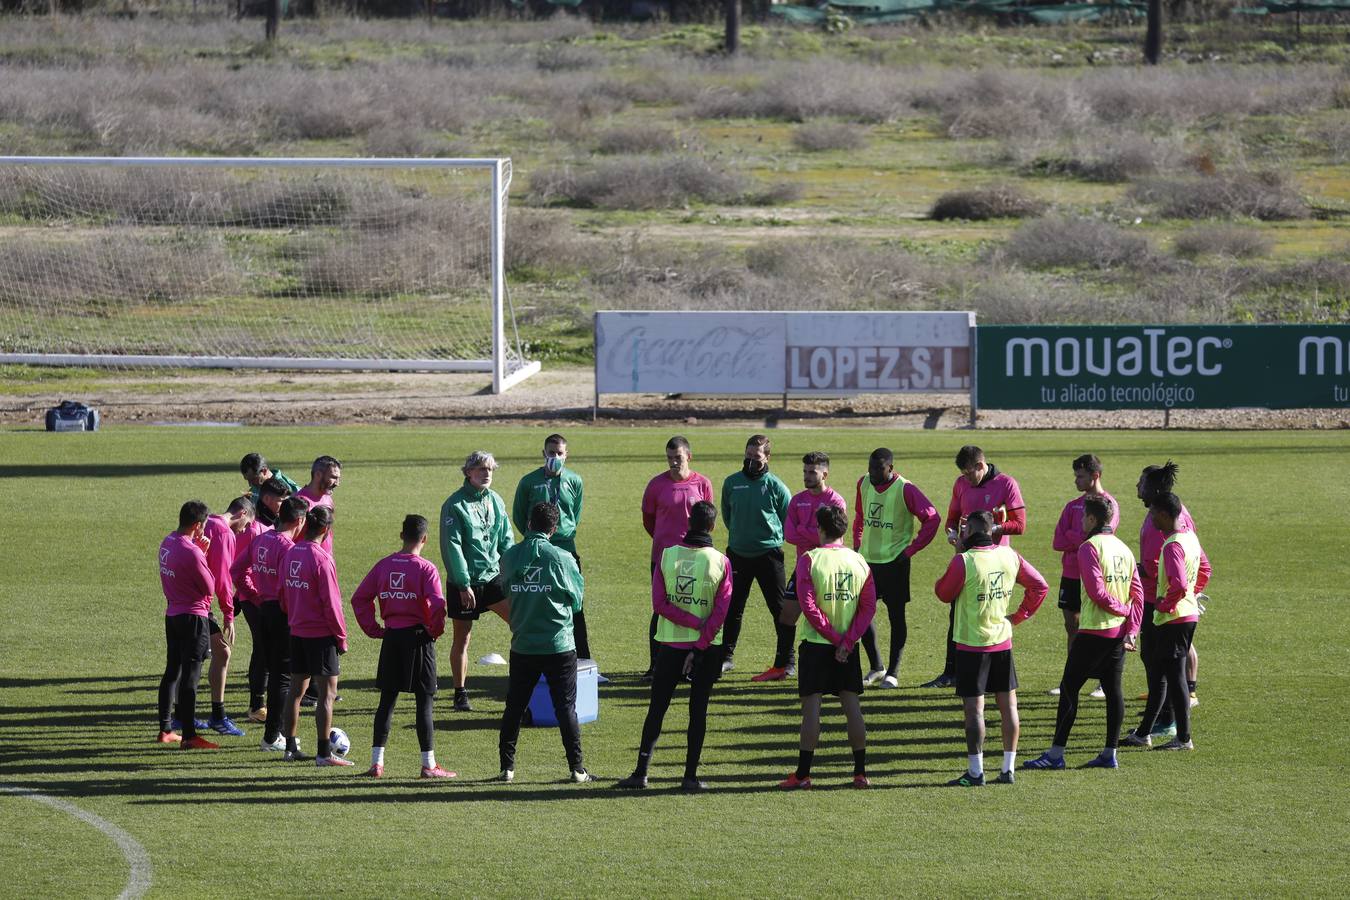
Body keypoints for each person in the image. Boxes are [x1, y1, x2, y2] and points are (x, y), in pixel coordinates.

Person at [617, 501, 733, 792]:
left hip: (670, 645)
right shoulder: (721, 562)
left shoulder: (668, 556)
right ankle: (690, 777)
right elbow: (722, 611)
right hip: (708, 648)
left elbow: (660, 605)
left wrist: (690, 622)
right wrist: (701, 636)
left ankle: (641, 773)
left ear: (688, 523)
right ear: (712, 527)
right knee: (698, 711)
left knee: (657, 708)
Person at [1024, 496, 1143, 771]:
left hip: (1093, 632)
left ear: (1091, 519)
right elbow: (1139, 593)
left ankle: (1055, 755)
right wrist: (1132, 629)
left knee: (1068, 689)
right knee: (1114, 691)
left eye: (1083, 518)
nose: (1080, 522)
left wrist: (1122, 610)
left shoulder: (1089, 548)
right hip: (1118, 635)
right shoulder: (1124, 549)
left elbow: (1096, 592)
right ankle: (1109, 753)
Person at [934, 510, 1047, 786]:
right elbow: (1040, 586)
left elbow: (943, 593)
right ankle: (1008, 770)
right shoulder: (1009, 555)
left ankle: (975, 772)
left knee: (974, 711)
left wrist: (957, 552)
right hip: (1002, 641)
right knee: (1009, 706)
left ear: (970, 531)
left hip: (972, 645)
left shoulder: (965, 561)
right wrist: (1017, 618)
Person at [778, 505, 878, 790]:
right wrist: (847, 642)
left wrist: (834, 639)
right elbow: (868, 608)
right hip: (848, 647)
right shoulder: (860, 562)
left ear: (820, 529)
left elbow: (808, 607)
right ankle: (860, 773)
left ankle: (803, 775)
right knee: (852, 707)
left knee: (811, 709)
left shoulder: (809, 560)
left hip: (817, 645)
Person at [496, 502, 592, 784]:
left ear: (528, 524)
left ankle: (507, 768)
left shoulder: (510, 557)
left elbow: (505, 590)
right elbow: (576, 601)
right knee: (565, 709)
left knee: (515, 706)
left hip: (523, 644)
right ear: (554, 528)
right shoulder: (562, 558)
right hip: (558, 644)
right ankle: (577, 769)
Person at [352, 515, 452, 779]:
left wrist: (375, 629)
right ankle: (428, 765)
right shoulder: (426, 569)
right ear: (424, 539)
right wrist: (435, 631)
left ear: (401, 535)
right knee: (424, 702)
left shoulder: (384, 565)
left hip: (392, 637)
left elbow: (359, 598)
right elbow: (438, 605)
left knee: (387, 702)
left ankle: (376, 763)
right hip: (419, 638)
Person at [924, 445, 1027, 689]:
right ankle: (951, 673)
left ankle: (992, 674)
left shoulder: (1006, 484)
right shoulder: (961, 484)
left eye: (970, 473)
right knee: (956, 615)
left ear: (981, 466)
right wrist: (951, 533)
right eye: (964, 474)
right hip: (966, 560)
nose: (967, 478)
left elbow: (1020, 525)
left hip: (993, 562)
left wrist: (991, 529)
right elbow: (952, 517)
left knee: (990, 617)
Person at [1126, 492, 1210, 752]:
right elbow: (1205, 570)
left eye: (1153, 514)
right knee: (1164, 676)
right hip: (1186, 615)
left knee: (1173, 679)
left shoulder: (1172, 544)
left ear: (1163, 514)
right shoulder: (1191, 539)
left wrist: (1166, 603)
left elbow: (1179, 583)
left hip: (1174, 618)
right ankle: (1144, 733)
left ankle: (1184, 738)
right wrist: (1192, 596)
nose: (1151, 520)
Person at [851, 447, 940, 689]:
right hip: (867, 562)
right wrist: (858, 544)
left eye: (878, 469)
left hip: (894, 564)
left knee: (895, 617)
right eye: (870, 467)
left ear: (890, 467)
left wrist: (910, 550)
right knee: (862, 614)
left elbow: (932, 518)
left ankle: (893, 672)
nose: (872, 473)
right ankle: (876, 666)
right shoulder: (864, 483)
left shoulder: (905, 489)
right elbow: (860, 517)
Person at [440, 450, 514, 712]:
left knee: (521, 624)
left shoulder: (495, 500)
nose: (486, 474)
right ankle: (460, 693)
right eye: (481, 469)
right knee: (462, 638)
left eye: (490, 470)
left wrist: (510, 570)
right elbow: (453, 547)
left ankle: (520, 684)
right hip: (466, 583)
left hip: (494, 578)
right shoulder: (454, 505)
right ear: (468, 472)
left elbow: (506, 538)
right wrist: (462, 584)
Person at [235, 496, 309, 752]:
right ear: (299, 521)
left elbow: (237, 569)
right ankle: (272, 735)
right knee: (283, 677)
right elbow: (287, 588)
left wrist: (255, 595)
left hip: (264, 611)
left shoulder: (261, 539)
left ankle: (273, 732)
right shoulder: (289, 549)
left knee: (271, 669)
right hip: (283, 615)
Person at [1132, 460, 1200, 740]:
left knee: (1165, 667)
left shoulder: (1171, 522)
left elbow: (1175, 568)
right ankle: (1158, 718)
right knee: (1155, 661)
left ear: (1156, 489)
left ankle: (1170, 722)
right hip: (1161, 601)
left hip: (1164, 605)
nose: (1138, 486)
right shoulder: (1161, 515)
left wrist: (1174, 596)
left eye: (1143, 482)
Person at [512, 433, 592, 664]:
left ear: (566, 455)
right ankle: (535, 658)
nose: (554, 457)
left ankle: (583, 661)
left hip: (566, 549)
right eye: (551, 452)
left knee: (574, 604)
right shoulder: (528, 481)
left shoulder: (574, 480)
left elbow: (574, 516)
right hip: (536, 550)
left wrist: (561, 534)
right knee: (537, 601)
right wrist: (535, 536)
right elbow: (519, 516)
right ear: (543, 453)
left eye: (559, 453)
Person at [279, 505, 350, 766]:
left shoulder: (290, 553)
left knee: (296, 690)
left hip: (296, 631)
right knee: (327, 694)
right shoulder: (321, 558)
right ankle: (323, 753)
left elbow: (282, 594)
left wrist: (295, 614)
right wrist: (340, 637)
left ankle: (290, 748)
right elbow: (332, 604)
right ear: (326, 529)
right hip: (320, 635)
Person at [719, 434, 793, 682]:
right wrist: (741, 536)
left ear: (767, 458)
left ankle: (787, 660)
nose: (751, 461)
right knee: (733, 608)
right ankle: (726, 657)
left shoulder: (777, 486)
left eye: (756, 457)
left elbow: (787, 519)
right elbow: (728, 516)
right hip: (738, 554)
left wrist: (765, 539)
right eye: (748, 455)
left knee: (780, 610)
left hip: (769, 555)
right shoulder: (731, 483)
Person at [641, 436, 715, 678]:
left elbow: (708, 519)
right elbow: (649, 521)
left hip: (695, 558)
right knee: (661, 609)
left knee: (693, 607)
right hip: (663, 559)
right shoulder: (656, 485)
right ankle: (655, 665)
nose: (674, 462)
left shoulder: (702, 484)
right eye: (670, 458)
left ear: (689, 457)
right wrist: (665, 543)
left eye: (678, 458)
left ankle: (692, 664)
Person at [1048, 454, 1118, 699]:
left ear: (1095, 476)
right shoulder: (1072, 506)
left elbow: (1102, 537)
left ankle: (1102, 682)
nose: (1076, 481)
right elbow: (1057, 541)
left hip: (1095, 574)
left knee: (1098, 628)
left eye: (1080, 476)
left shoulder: (1109, 504)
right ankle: (1071, 679)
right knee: (1072, 627)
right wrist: (1078, 539)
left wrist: (1072, 538)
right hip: (1070, 574)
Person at [156, 500, 221, 750]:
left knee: (172, 671)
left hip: (172, 614)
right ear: (197, 525)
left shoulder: (168, 542)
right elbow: (209, 587)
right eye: (203, 526)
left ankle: (165, 729)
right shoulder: (192, 551)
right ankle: (190, 735)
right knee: (191, 677)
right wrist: (203, 554)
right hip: (194, 617)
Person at [200, 497, 255, 737]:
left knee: (191, 658)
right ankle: (218, 716)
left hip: (187, 599)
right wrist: (229, 615)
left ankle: (182, 715)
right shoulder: (224, 533)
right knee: (222, 652)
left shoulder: (207, 522)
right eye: (247, 523)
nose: (245, 529)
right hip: (199, 604)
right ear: (242, 513)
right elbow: (223, 579)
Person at [229, 499, 271, 722]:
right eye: (280, 499)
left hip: (257, 598)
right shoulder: (253, 532)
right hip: (254, 599)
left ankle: (262, 704)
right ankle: (257, 705)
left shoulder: (266, 530)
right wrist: (248, 596)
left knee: (267, 649)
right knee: (263, 649)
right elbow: (237, 568)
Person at [295, 455, 341, 556]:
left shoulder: (327, 499)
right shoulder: (298, 502)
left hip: (325, 560)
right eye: (333, 477)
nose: (337, 483)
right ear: (318, 475)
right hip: (305, 562)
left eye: (338, 478)